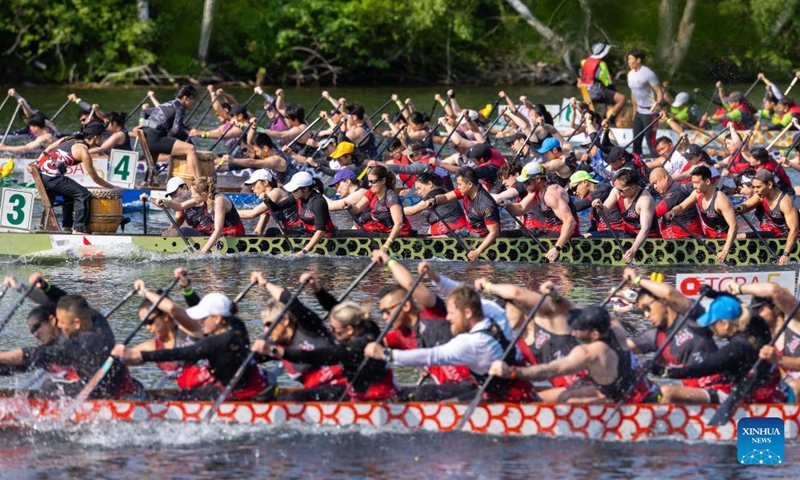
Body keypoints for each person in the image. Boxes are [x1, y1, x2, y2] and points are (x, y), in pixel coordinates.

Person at [365, 284, 539, 403]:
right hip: (501, 391)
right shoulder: (497, 316)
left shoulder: (474, 339)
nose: (448, 318)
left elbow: (433, 356)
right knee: (412, 393)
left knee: (422, 393)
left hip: (499, 396)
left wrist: (389, 260)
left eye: (451, 313)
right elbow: (462, 292)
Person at [113, 292, 271, 401]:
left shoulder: (218, 341)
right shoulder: (237, 325)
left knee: (164, 401)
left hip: (241, 393)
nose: (200, 322)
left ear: (217, 318)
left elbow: (183, 353)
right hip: (252, 384)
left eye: (203, 318)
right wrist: (187, 289)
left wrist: (143, 356)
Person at [489, 305, 658, 404]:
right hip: (649, 392)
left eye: (579, 329)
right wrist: (556, 298)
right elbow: (574, 308)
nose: (574, 333)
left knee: (567, 397)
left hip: (633, 404)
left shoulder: (588, 352)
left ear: (594, 334)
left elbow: (551, 370)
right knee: (543, 395)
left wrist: (513, 372)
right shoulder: (616, 329)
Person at [0, 287, 141, 399]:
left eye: (61, 322)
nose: (59, 326)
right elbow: (67, 301)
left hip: (118, 397)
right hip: (91, 391)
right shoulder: (88, 322)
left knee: (49, 387)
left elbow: (38, 354)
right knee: (35, 392)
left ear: (77, 323)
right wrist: (45, 287)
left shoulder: (90, 341)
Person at [368, 250, 473, 400]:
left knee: (422, 393)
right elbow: (369, 345)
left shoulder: (434, 313)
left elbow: (411, 284)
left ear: (405, 306)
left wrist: (388, 260)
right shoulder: (398, 337)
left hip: (473, 384)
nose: (384, 317)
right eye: (381, 313)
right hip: (446, 390)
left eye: (387, 311)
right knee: (395, 395)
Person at [651, 294, 784, 405]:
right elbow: (737, 304)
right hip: (769, 387)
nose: (711, 328)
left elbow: (701, 369)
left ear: (726, 324)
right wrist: (715, 294)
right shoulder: (756, 326)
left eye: (713, 324)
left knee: (669, 392)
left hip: (755, 398)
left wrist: (666, 372)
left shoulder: (736, 349)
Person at [620, 269, 724, 404]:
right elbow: (622, 347)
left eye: (647, 308)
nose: (645, 315)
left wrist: (637, 280)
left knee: (666, 392)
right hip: (696, 393)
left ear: (663, 302)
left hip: (721, 389)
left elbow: (670, 293)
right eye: (642, 311)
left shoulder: (692, 316)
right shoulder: (654, 336)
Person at [473, 278, 586, 402]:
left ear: (518, 304)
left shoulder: (548, 319)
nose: (503, 317)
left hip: (585, 385)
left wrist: (487, 286)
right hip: (564, 390)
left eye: (505, 310)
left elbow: (516, 292)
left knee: (532, 401)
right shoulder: (519, 344)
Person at [268, 301, 399, 402]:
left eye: (335, 329)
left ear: (349, 330)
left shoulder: (354, 348)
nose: (331, 331)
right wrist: (317, 291)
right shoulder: (369, 326)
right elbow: (336, 307)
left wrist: (283, 353)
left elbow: (319, 356)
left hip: (378, 400)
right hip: (369, 394)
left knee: (294, 399)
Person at [248, 271, 345, 396]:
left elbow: (289, 300)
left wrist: (264, 283)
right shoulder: (275, 345)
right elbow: (244, 357)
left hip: (341, 390)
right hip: (316, 395)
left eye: (269, 324)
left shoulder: (309, 327)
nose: (265, 330)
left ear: (285, 320)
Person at [129, 274, 213, 390]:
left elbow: (172, 308)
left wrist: (145, 292)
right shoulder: (153, 347)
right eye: (144, 324)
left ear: (166, 316)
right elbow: (126, 356)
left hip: (217, 390)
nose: (147, 327)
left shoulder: (190, 330)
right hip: (191, 397)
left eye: (150, 321)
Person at [35, 120, 121, 233]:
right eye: (103, 135)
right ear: (95, 137)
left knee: (70, 194)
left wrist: (36, 163)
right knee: (83, 194)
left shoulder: (70, 138)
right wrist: (113, 187)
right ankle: (79, 229)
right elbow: (95, 179)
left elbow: (49, 148)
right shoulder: (83, 152)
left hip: (42, 174)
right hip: (51, 177)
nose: (105, 139)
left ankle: (67, 227)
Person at [732, 282, 800, 401]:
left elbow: (774, 290)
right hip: (785, 387)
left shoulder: (795, 322)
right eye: (755, 310)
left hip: (795, 388)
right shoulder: (762, 337)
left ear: (777, 308)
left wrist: (739, 288)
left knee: (795, 387)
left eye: (761, 309)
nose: (757, 314)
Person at [504, 162, 578, 262]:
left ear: (538, 179)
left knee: (525, 236)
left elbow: (570, 222)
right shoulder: (537, 190)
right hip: (550, 232)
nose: (524, 185)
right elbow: (521, 209)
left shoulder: (552, 194)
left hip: (566, 235)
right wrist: (508, 203)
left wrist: (557, 248)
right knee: (510, 233)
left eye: (526, 182)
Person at [666, 166, 738, 263]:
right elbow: (682, 207)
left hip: (724, 240)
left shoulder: (720, 199)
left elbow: (733, 226)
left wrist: (725, 251)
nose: (694, 186)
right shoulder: (697, 194)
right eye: (693, 183)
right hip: (709, 238)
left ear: (707, 181)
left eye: (697, 183)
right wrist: (673, 211)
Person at [426, 167, 501, 261]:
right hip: (469, 233)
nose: (458, 187)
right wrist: (434, 200)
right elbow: (445, 197)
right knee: (436, 237)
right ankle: (426, 242)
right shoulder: (464, 191)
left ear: (469, 184)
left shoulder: (486, 204)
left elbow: (494, 232)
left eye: (459, 184)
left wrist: (478, 251)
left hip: (481, 240)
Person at [157, 176, 245, 254]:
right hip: (216, 234)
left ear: (203, 194)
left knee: (182, 231)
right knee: (167, 233)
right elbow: (180, 206)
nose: (191, 196)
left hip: (233, 236)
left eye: (193, 194)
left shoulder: (219, 201)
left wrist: (203, 252)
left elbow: (218, 230)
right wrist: (164, 201)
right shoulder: (204, 197)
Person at [338, 165, 413, 249]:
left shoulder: (391, 197)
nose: (370, 184)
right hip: (382, 230)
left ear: (383, 181)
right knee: (342, 232)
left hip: (398, 234)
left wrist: (385, 246)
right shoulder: (371, 192)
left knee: (347, 235)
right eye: (369, 181)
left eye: (373, 181)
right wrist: (350, 206)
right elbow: (357, 209)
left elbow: (398, 224)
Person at [734, 169, 799, 265]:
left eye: (758, 187)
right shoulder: (761, 195)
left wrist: (785, 254)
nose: (755, 190)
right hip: (774, 234)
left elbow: (794, 229)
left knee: (739, 237)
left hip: (790, 237)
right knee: (737, 236)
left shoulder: (785, 202)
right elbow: (746, 206)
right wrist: (736, 209)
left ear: (769, 184)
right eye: (753, 187)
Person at [592, 168, 657, 263]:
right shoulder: (617, 191)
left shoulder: (645, 200)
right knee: (590, 235)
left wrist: (633, 250)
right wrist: (598, 206)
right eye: (616, 187)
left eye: (621, 190)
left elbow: (645, 229)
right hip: (627, 235)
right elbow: (604, 211)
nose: (617, 192)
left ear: (633, 187)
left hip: (647, 240)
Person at [266, 171, 336, 255]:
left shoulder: (318, 202)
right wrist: (267, 200)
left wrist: (303, 251)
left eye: (295, 190)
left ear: (305, 189)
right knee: (272, 231)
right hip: (307, 233)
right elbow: (276, 208)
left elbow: (320, 231)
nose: (292, 192)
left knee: (279, 237)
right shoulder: (297, 197)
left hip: (323, 237)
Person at [139, 85, 200, 178]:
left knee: (172, 144)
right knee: (190, 149)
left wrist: (142, 122)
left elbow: (144, 112)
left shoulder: (166, 104)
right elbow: (176, 130)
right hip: (156, 140)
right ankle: (200, 183)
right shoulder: (180, 108)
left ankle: (148, 181)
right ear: (185, 98)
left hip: (147, 136)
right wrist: (187, 139)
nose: (193, 102)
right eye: (191, 99)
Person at [238, 169, 303, 236]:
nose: (252, 188)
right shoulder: (267, 202)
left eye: (254, 184)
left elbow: (251, 214)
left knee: (271, 231)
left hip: (301, 230)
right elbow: (258, 231)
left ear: (265, 183)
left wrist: (231, 212)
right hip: (290, 231)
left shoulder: (276, 192)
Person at [143, 177, 214, 237]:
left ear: (184, 187)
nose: (173, 196)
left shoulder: (193, 195)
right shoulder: (181, 209)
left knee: (181, 231)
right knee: (166, 233)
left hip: (210, 233)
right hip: (200, 233)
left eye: (174, 192)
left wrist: (149, 198)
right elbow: (171, 229)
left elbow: (170, 203)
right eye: (171, 195)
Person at [403, 171, 467, 236]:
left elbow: (412, 210)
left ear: (429, 184)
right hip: (445, 232)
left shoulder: (436, 192)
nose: (419, 192)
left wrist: (394, 211)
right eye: (417, 190)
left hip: (454, 233)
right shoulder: (439, 191)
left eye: (419, 188)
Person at [649, 167, 704, 239]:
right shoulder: (675, 189)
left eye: (655, 182)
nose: (655, 187)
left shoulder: (675, 193)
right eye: (653, 185)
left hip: (685, 240)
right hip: (679, 238)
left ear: (665, 177)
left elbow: (654, 214)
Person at [626, 49, 662, 156]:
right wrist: (634, 110)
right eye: (628, 59)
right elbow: (633, 92)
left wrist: (657, 104)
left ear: (638, 60)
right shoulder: (631, 74)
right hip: (639, 111)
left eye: (630, 59)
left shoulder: (648, 74)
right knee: (636, 140)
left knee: (650, 141)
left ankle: (657, 162)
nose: (628, 61)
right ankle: (637, 161)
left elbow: (659, 92)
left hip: (650, 112)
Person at [579, 43, 626, 124]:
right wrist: (615, 91)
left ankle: (588, 122)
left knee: (594, 107)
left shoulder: (584, 61)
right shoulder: (602, 64)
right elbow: (608, 83)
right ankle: (611, 120)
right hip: (598, 92)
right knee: (621, 98)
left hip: (587, 91)